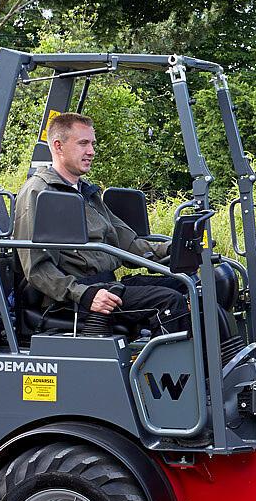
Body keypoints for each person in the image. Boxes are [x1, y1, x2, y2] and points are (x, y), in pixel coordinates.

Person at [12, 111, 190, 335]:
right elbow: (36, 267)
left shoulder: (87, 192)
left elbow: (126, 242)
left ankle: (222, 361)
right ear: (58, 146)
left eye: (92, 144)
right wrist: (83, 294)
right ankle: (170, 371)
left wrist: (171, 250)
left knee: (186, 285)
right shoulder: (39, 192)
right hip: (73, 298)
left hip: (105, 286)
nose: (91, 151)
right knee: (169, 302)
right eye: (83, 143)